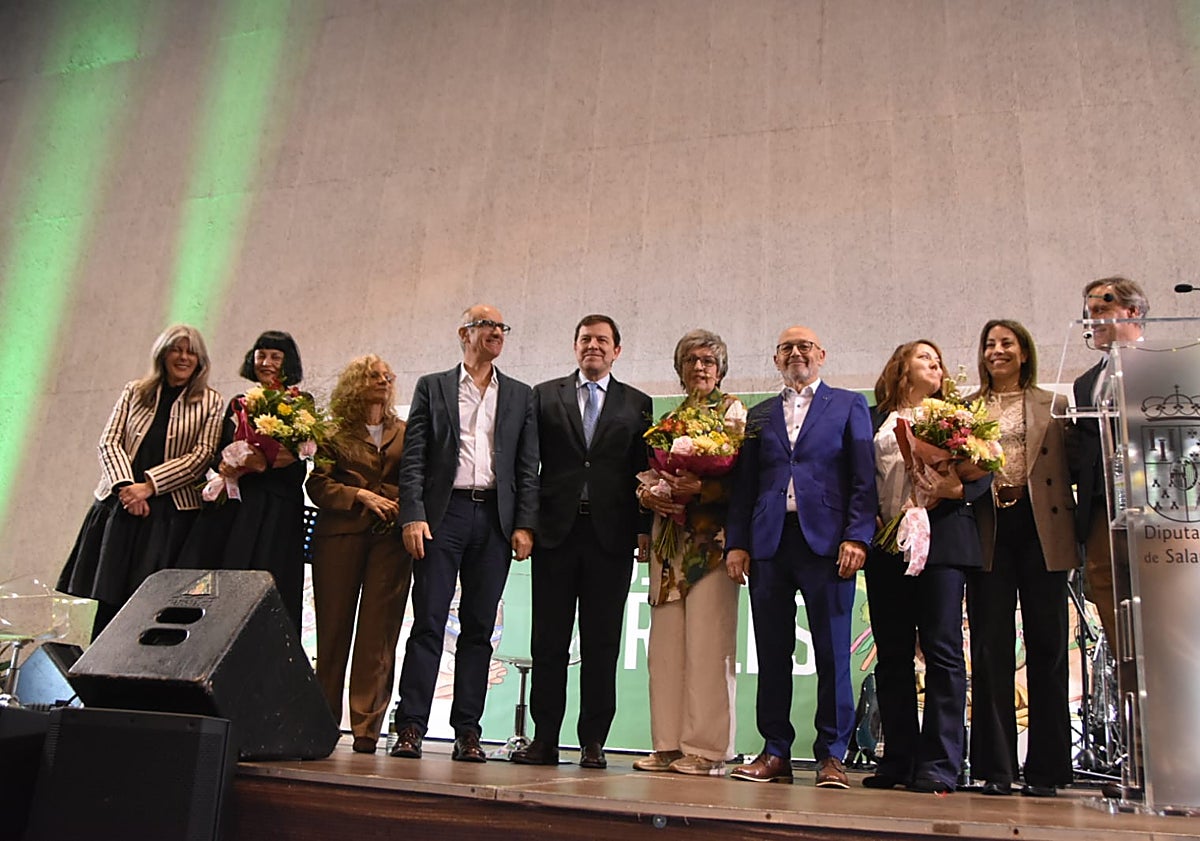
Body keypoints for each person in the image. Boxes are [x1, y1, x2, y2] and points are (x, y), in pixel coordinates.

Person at [725, 325, 876, 789]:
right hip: (769, 543)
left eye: (804, 346)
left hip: (828, 545)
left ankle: (832, 755)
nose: (796, 353)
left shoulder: (848, 405)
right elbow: (744, 486)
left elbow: (863, 477)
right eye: (787, 348)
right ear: (776, 359)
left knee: (832, 652)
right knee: (772, 653)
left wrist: (857, 537)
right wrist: (737, 542)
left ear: (821, 355)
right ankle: (775, 751)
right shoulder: (759, 414)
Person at [389, 304, 539, 763]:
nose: (496, 332)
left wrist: (524, 523)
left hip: (494, 519)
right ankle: (410, 725)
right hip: (443, 515)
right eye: (486, 325)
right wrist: (412, 515)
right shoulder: (432, 386)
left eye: (501, 327)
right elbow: (414, 457)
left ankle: (468, 731)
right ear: (464, 333)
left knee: (479, 629)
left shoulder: (520, 395)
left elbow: (527, 466)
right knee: (429, 621)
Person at [512, 315, 652, 769]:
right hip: (555, 534)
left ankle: (593, 740)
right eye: (586, 339)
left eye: (602, 340)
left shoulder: (638, 403)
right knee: (548, 642)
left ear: (617, 350)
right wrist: (526, 523)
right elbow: (528, 464)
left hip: (611, 538)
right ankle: (545, 739)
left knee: (602, 644)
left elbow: (644, 472)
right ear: (575, 347)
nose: (594, 345)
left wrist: (645, 529)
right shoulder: (544, 395)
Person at [862, 341, 990, 794]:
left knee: (942, 651)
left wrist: (955, 489)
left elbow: (985, 472)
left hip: (942, 544)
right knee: (892, 655)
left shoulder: (956, 417)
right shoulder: (873, 418)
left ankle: (940, 763)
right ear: (901, 367)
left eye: (938, 360)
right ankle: (898, 758)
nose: (935, 364)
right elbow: (858, 477)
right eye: (924, 358)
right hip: (886, 544)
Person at [59, 325, 223, 640]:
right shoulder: (134, 391)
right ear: (163, 354)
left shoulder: (211, 401)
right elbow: (109, 441)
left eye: (191, 352)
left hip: (170, 516)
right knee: (110, 600)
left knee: (151, 604)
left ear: (200, 360)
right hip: (120, 508)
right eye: (176, 349)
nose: (183, 357)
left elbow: (202, 456)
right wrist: (126, 489)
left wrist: (148, 487)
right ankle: (100, 667)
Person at [968, 319, 1076, 797]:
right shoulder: (967, 408)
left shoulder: (1054, 404)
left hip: (1042, 529)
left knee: (1047, 646)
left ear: (1024, 352)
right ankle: (996, 768)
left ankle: (1047, 770)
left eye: (1006, 343)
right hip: (989, 530)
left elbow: (1075, 466)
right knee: (990, 647)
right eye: (990, 344)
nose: (997, 351)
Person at [631, 329, 745, 777]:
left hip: (710, 545)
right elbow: (651, 474)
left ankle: (708, 749)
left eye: (708, 361)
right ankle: (667, 744)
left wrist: (702, 488)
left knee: (708, 646)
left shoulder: (733, 412)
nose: (699, 367)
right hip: (668, 545)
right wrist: (649, 495)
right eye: (691, 361)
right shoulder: (669, 420)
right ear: (679, 370)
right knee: (665, 649)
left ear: (720, 369)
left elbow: (743, 483)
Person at [306, 355, 410, 754]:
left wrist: (396, 502)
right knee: (333, 631)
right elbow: (317, 485)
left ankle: (367, 727)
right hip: (340, 537)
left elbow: (417, 478)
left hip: (390, 540)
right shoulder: (333, 433)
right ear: (355, 384)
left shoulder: (405, 431)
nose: (383, 380)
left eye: (387, 375)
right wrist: (359, 495)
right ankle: (323, 721)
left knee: (379, 635)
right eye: (373, 375)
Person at [177, 330, 309, 634]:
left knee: (268, 585)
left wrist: (263, 462)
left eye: (275, 356)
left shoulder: (300, 404)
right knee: (221, 581)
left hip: (276, 512)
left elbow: (298, 463)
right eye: (261, 355)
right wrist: (227, 464)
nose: (266, 362)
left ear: (288, 362)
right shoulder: (239, 403)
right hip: (235, 507)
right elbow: (218, 449)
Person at [1071, 277, 1148, 656]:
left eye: (1102, 310)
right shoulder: (1086, 383)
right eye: (1089, 313)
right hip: (1103, 505)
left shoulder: (1164, 365)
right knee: (1106, 581)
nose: (1093, 320)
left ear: (1131, 311)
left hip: (1157, 505)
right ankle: (1127, 667)